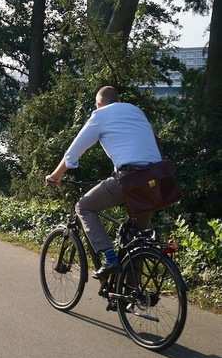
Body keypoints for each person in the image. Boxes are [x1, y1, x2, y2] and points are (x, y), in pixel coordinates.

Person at [45, 86, 162, 279]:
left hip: (130, 177)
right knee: (137, 238)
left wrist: (56, 176)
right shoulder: (135, 110)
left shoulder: (100, 115)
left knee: (83, 207)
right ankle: (132, 295)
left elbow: (74, 151)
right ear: (117, 99)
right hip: (156, 178)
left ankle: (109, 257)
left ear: (99, 103)